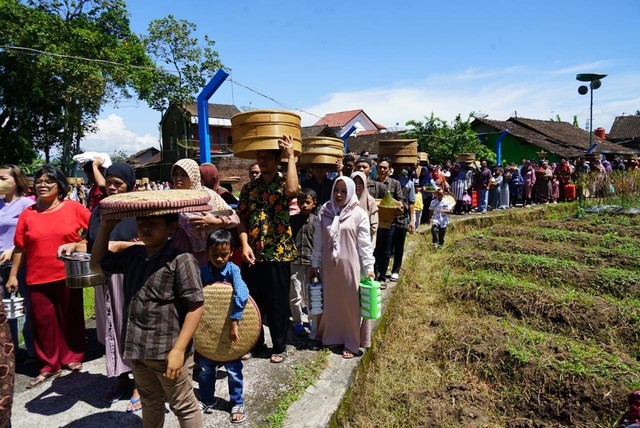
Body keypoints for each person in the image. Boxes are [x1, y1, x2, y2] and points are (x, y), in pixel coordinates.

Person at [91, 212, 204, 428]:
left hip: (167, 351)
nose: (145, 227)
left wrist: (179, 350)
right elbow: (96, 265)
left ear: (172, 228)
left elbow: (196, 305)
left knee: (183, 405)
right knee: (150, 402)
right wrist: (105, 227)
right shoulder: (133, 255)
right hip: (138, 350)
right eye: (141, 223)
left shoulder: (181, 259)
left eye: (153, 223)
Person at [58, 162, 142, 411]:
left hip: (129, 278)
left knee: (129, 329)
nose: (113, 187)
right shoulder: (99, 211)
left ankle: (140, 385)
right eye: (110, 182)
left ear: (130, 185)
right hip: (104, 279)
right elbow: (94, 243)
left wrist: (121, 246)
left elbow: (150, 243)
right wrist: (74, 246)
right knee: (110, 330)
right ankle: (121, 380)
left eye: (119, 183)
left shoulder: (139, 209)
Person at [6, 165, 90, 388]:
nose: (42, 185)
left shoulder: (73, 208)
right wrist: (13, 276)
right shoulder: (28, 214)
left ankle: (73, 357)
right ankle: (49, 365)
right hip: (36, 276)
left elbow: (94, 231)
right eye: (39, 181)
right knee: (42, 322)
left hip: (67, 275)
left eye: (48, 181)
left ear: (60, 186)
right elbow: (19, 248)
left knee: (70, 316)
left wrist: (80, 244)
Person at [237, 135, 298, 364]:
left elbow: (293, 191)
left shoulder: (283, 183)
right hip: (253, 252)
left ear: (276, 159)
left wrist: (290, 155)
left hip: (278, 252)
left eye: (267, 157)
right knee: (253, 301)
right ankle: (257, 343)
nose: (262, 160)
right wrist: (244, 245)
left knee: (278, 301)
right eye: (259, 157)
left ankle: (279, 346)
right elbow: (241, 218)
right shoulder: (248, 189)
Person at [310, 176, 375, 359]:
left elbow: (364, 244)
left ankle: (351, 341)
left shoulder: (358, 214)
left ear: (352, 192)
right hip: (329, 266)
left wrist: (369, 267)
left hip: (351, 266)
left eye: (344, 191)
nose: (339, 194)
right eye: (336, 190)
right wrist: (315, 263)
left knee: (350, 304)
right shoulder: (325, 210)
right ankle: (332, 337)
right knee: (331, 301)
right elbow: (319, 240)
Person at [197, 229, 248, 423]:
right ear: (207, 251)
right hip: (208, 329)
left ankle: (237, 401)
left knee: (234, 369)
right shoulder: (202, 272)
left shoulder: (233, 270)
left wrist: (235, 320)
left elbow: (242, 292)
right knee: (205, 368)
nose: (219, 258)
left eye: (224, 255)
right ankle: (207, 399)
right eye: (214, 254)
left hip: (229, 329)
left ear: (231, 252)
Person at [171, 159, 240, 267]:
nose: (178, 178)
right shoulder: (169, 197)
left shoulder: (207, 195)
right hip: (178, 250)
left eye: (184, 175)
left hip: (205, 254)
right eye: (175, 174)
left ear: (193, 176)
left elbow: (234, 218)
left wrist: (216, 221)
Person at [0, 164, 35, 356]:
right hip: (0, 263)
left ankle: (32, 350)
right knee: (4, 310)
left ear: (16, 181)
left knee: (26, 304)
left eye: (3, 178)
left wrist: (12, 249)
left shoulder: (26, 204)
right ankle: (9, 351)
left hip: (20, 261)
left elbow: (30, 234)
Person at [289, 189, 317, 337]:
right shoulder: (292, 220)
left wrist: (317, 263)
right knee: (295, 292)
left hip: (311, 262)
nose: (304, 205)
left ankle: (312, 320)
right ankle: (297, 322)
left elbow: (320, 244)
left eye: (308, 202)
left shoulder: (317, 222)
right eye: (302, 202)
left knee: (311, 293)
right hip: (295, 261)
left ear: (314, 204)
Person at [350, 172, 379, 243]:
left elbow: (374, 226)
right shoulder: (346, 200)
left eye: (360, 183)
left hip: (366, 240)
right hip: (349, 240)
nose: (357, 185)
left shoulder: (370, 201)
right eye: (354, 182)